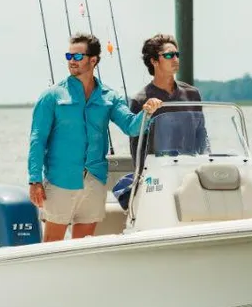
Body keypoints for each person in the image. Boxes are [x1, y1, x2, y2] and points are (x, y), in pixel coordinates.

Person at [27, 33, 162, 242]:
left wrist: (148, 112)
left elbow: (131, 127)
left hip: (95, 180)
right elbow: (37, 139)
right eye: (69, 56)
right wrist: (34, 180)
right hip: (60, 179)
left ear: (93, 60)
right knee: (51, 246)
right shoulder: (52, 96)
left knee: (84, 246)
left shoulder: (110, 97)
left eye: (77, 56)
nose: (72, 61)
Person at [128, 33, 207, 165]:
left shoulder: (192, 94)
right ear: (154, 61)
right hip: (159, 171)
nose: (175, 59)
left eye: (177, 55)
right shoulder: (140, 100)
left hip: (190, 168)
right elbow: (137, 150)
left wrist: (206, 163)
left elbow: (201, 136)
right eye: (169, 55)